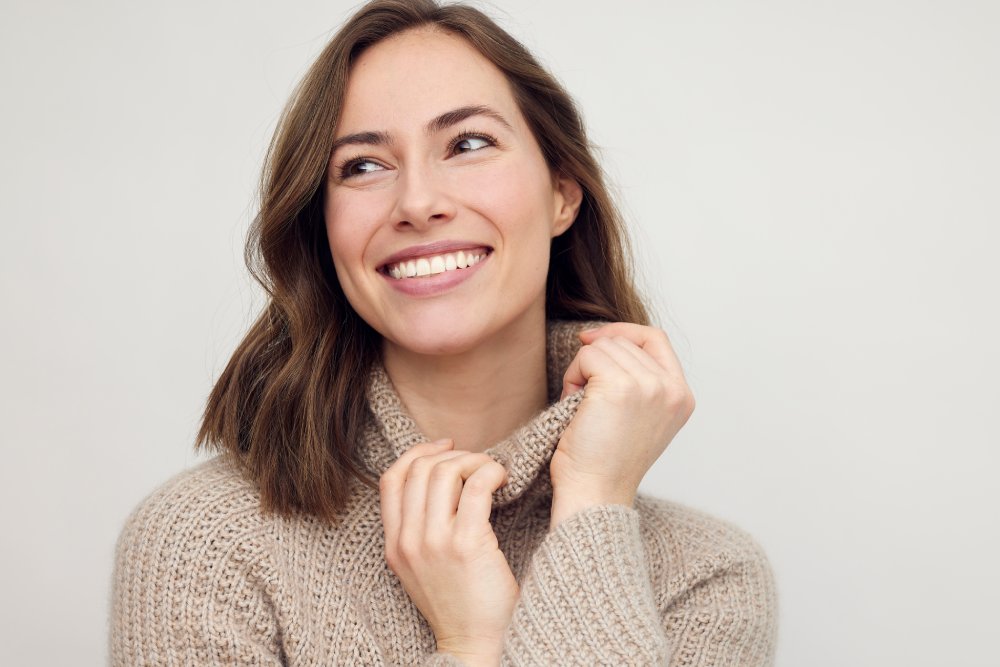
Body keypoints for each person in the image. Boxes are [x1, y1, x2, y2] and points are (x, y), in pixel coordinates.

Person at [109, 0, 777, 664]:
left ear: (562, 194)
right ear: (323, 224)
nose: (417, 202)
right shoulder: (202, 544)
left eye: (468, 144)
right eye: (363, 165)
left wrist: (594, 508)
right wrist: (470, 646)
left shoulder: (706, 576)